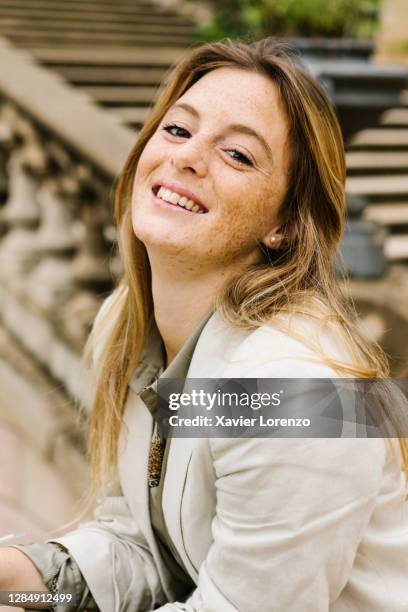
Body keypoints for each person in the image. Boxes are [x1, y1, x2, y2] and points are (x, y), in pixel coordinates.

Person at [1, 38, 408, 611]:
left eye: (238, 155)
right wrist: (13, 576)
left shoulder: (296, 393)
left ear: (285, 226)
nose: (187, 157)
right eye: (177, 130)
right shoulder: (130, 326)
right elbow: (147, 551)